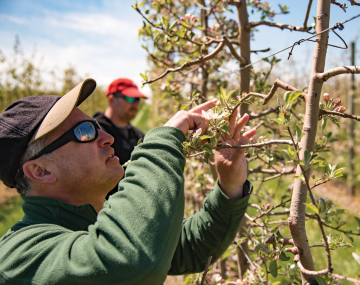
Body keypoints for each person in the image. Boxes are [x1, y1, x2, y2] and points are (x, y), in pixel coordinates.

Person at [0, 78, 256, 285]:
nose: (107, 137)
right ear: (41, 171)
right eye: (84, 132)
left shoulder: (91, 223)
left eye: (94, 124)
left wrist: (230, 186)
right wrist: (163, 142)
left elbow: (190, 248)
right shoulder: (18, 256)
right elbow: (127, 261)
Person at [93, 78, 146, 197]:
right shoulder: (95, 132)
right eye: (130, 98)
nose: (135, 104)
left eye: (137, 99)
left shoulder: (139, 136)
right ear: (111, 99)